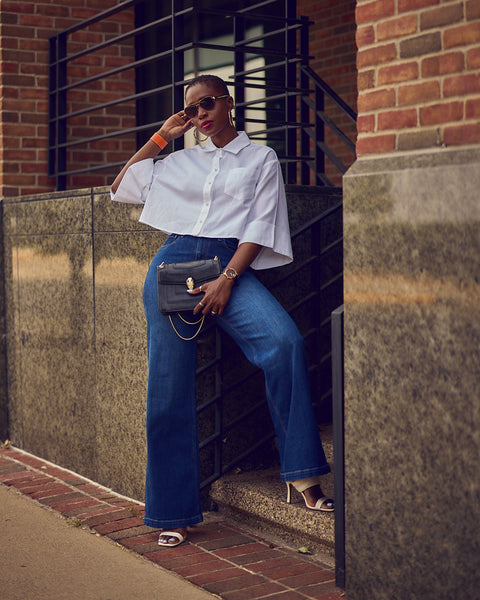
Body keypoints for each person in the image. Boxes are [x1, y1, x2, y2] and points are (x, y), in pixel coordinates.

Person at [111, 74, 333, 548]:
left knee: (284, 343)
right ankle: (172, 511)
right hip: (173, 264)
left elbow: (258, 224)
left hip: (230, 263)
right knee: (169, 387)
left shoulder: (261, 158)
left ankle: (303, 476)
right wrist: (161, 137)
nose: (200, 115)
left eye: (207, 104)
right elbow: (123, 184)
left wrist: (228, 279)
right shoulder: (179, 159)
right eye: (191, 111)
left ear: (228, 103)